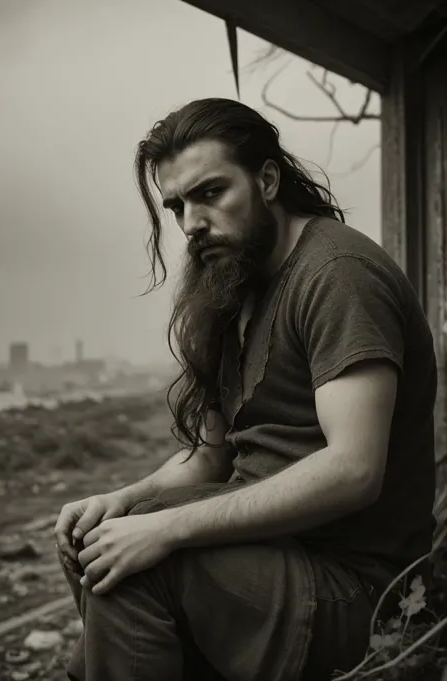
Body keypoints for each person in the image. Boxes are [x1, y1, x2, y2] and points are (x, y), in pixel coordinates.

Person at [55, 98, 437, 681]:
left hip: (358, 591)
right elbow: (213, 455)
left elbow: (354, 469)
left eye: (210, 193)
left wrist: (165, 527)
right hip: (267, 561)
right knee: (103, 546)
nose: (190, 224)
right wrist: (125, 504)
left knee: (139, 564)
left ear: (266, 179)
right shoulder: (237, 287)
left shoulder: (337, 274)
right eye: (178, 205)